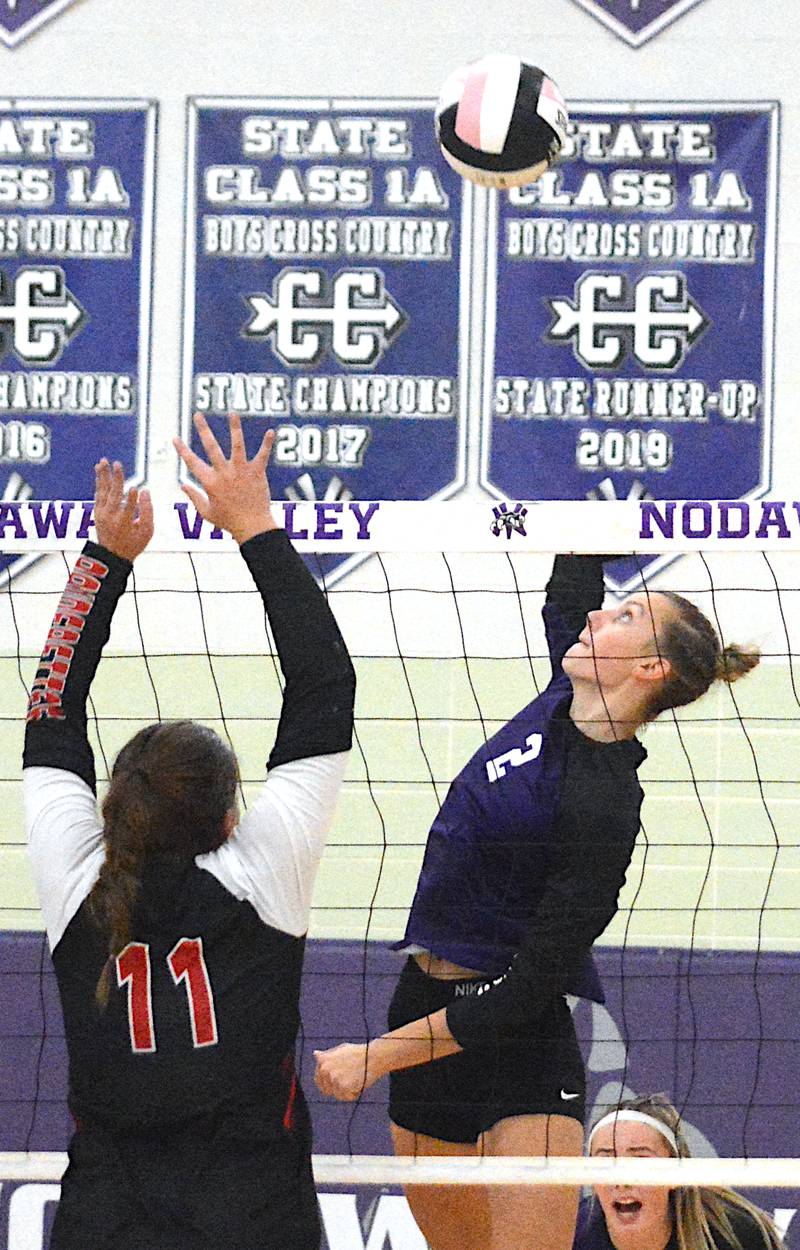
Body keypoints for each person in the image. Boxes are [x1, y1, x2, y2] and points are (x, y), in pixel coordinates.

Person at [314, 555, 759, 1250]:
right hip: (423, 1001)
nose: (595, 618)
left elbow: (529, 988)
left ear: (650, 670)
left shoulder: (605, 806)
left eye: (625, 617)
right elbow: (572, 582)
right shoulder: (563, 691)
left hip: (517, 1036)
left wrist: (376, 1056)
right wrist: (596, 520)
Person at [24, 412, 355, 1250]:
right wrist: (255, 528)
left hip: (109, 1216)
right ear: (230, 814)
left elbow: (49, 709)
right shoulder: (265, 872)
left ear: (116, 801)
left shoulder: (77, 881)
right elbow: (325, 684)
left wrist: (104, 560)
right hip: (254, 1215)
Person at [578, 1094, 784, 1250]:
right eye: (605, 1161)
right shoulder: (572, 1233)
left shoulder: (735, 1234)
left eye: (639, 1161)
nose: (621, 1181)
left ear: (675, 1175)